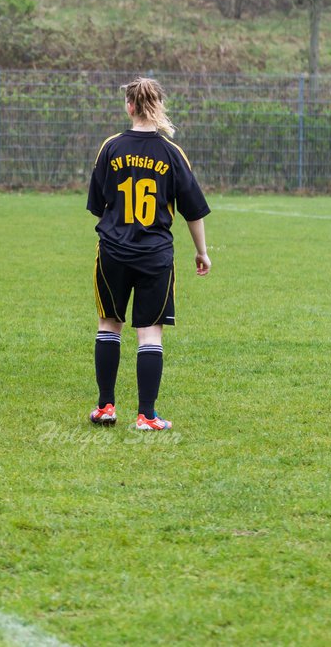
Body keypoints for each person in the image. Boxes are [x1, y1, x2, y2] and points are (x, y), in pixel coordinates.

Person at [86, 76, 211, 431]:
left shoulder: (110, 147)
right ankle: (147, 415)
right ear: (158, 106)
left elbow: (98, 205)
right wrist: (202, 252)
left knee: (109, 324)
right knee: (150, 333)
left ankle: (106, 406)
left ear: (129, 106)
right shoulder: (172, 152)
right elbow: (193, 211)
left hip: (112, 250)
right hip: (155, 255)